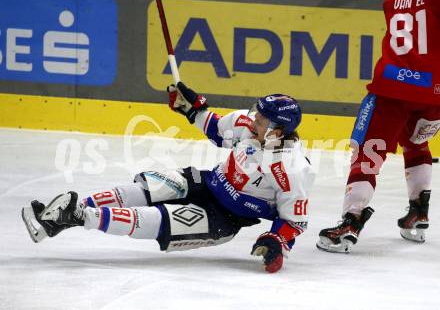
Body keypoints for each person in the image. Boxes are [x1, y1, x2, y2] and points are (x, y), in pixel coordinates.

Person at [22, 82, 315, 273]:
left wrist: (277, 240)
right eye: (256, 113)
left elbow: (294, 221)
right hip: (206, 181)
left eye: (261, 120)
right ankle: (56, 215)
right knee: (147, 188)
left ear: (277, 131)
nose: (253, 120)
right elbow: (215, 129)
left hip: (224, 219)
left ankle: (78, 216)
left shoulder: (293, 169)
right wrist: (194, 108)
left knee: (158, 219)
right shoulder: (245, 126)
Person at [317, 0, 440, 253]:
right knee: (416, 145)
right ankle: (419, 212)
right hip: (433, 94)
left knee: (367, 152)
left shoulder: (391, 0)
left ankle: (352, 221)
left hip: (392, 89)